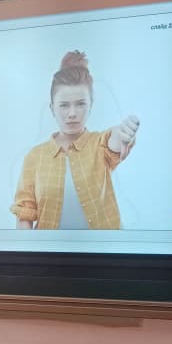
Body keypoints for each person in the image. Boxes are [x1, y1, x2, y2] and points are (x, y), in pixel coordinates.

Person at [10, 50, 140, 230]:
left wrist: (122, 133)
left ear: (91, 105)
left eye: (80, 104)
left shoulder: (99, 144)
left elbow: (113, 141)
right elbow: (25, 213)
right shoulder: (34, 157)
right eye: (64, 105)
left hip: (104, 247)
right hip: (50, 249)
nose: (72, 113)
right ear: (52, 108)